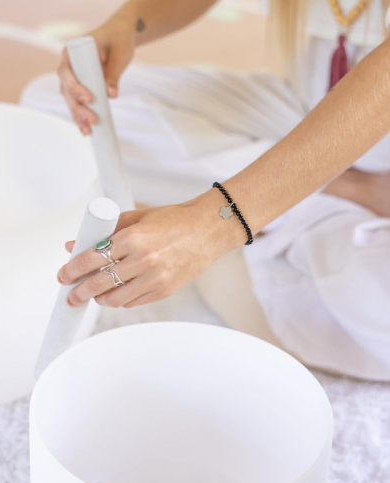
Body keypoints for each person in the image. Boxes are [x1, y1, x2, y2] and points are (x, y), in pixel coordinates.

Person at [21, 0, 390, 380]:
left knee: (371, 300)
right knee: (53, 112)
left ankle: (289, 207)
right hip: (309, 108)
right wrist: (128, 23)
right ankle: (336, 189)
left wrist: (214, 225)